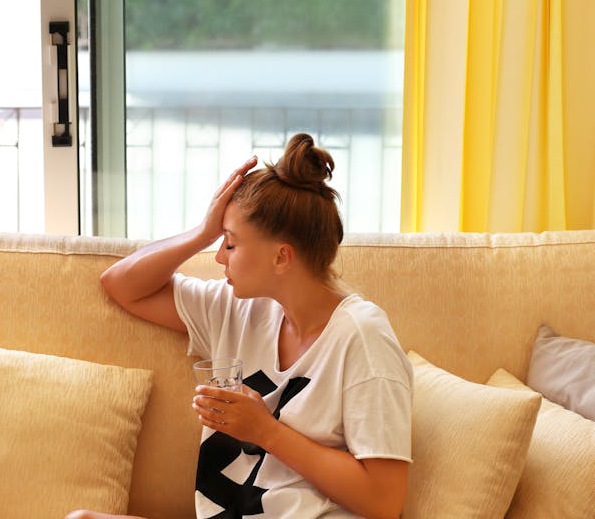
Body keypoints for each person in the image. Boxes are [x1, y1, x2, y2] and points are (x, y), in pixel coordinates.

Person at [66, 133, 413, 519]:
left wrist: (267, 432)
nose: (217, 257)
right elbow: (121, 285)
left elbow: (384, 502)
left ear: (282, 257)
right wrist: (203, 231)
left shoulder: (362, 338)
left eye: (230, 245)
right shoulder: (237, 308)